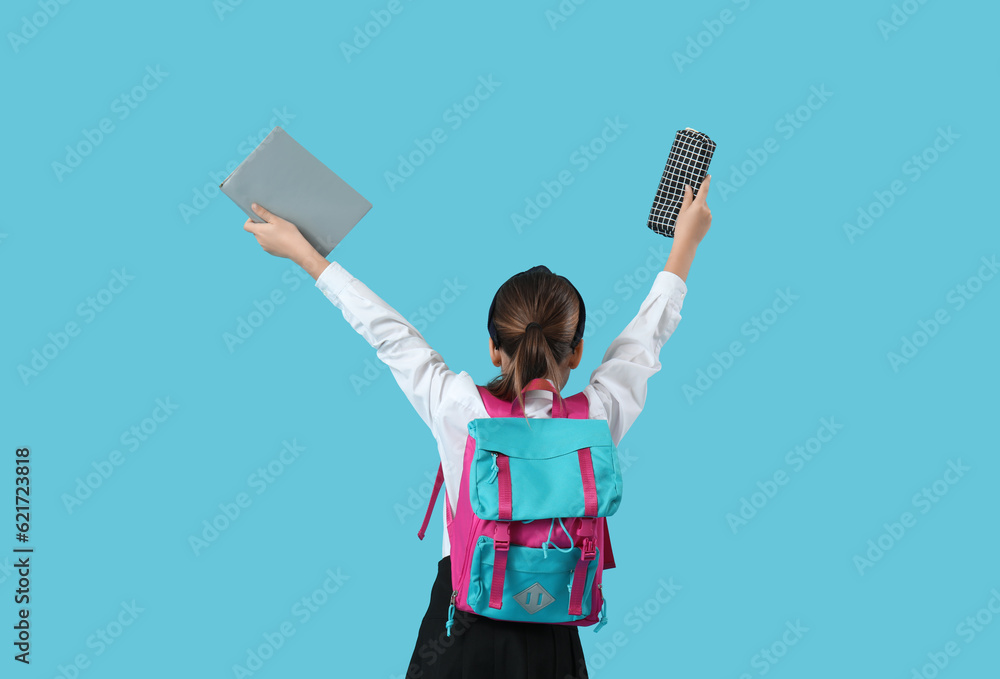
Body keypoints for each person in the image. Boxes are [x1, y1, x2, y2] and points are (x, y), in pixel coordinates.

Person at [241, 176, 713, 678]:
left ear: (494, 347)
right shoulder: (595, 420)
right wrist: (684, 244)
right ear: (576, 351)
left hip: (458, 636)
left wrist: (306, 256)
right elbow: (645, 342)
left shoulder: (461, 408)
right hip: (552, 638)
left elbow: (389, 335)